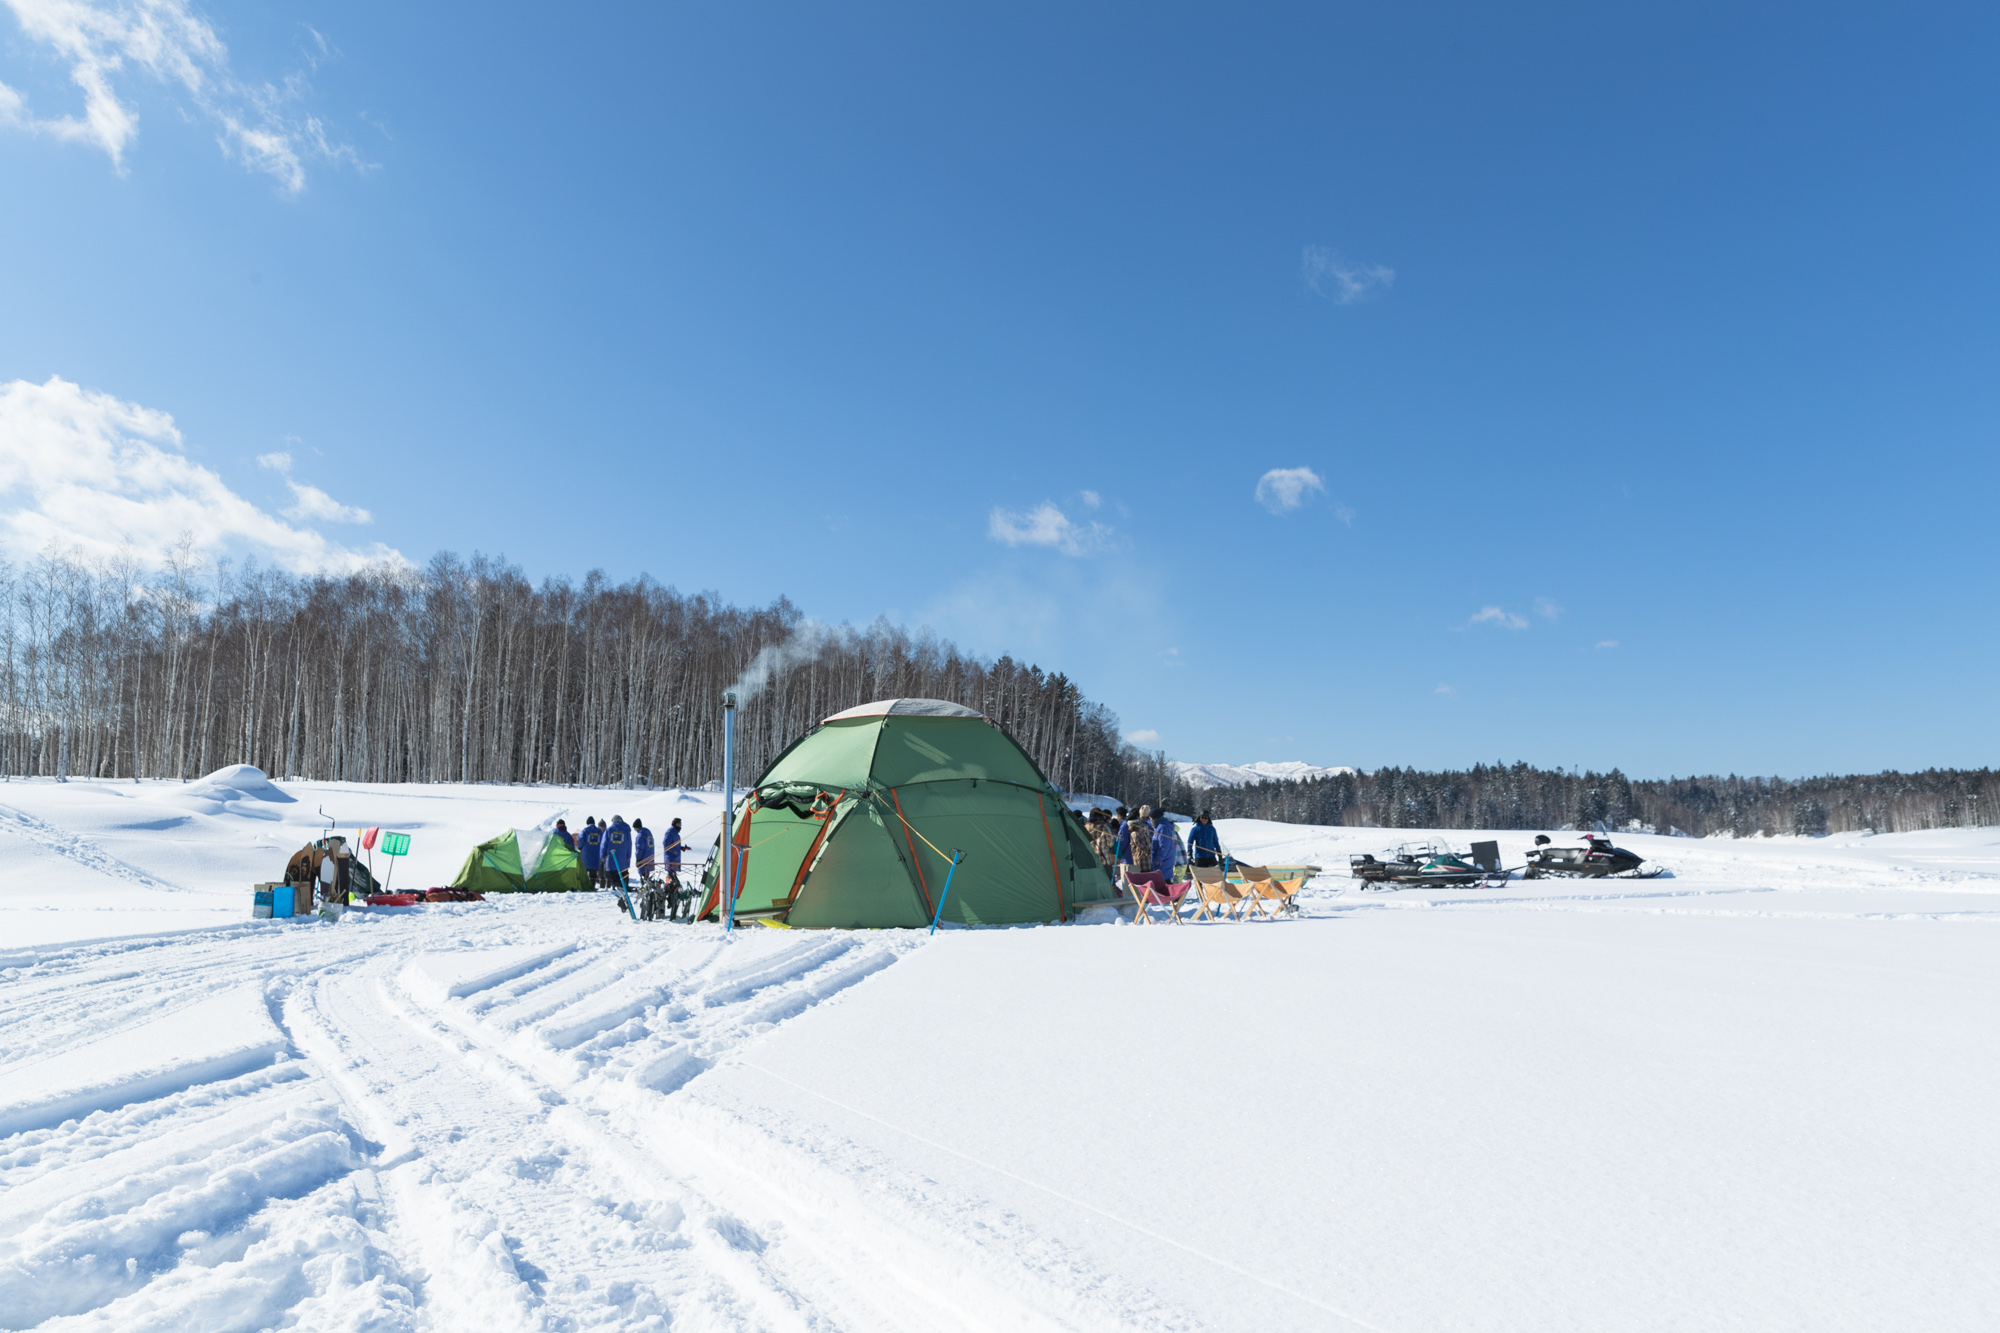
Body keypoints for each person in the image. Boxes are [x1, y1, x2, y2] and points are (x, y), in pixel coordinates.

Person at [662, 817, 686, 919]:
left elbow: (675, 845)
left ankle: (671, 899)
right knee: (672, 881)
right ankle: (668, 898)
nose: (680, 826)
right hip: (670, 860)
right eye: (679, 824)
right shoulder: (670, 832)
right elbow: (666, 844)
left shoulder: (676, 834)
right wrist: (673, 852)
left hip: (675, 861)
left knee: (673, 883)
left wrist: (681, 848)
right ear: (675, 824)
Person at [602, 815, 633, 895]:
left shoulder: (609, 830)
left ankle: (615, 888)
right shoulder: (626, 831)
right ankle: (624, 887)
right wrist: (628, 856)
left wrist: (603, 855)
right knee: (623, 874)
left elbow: (604, 844)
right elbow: (629, 845)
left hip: (612, 858)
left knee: (614, 876)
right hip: (623, 859)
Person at [1124, 805, 1154, 875]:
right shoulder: (1143, 830)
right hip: (1145, 863)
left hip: (1142, 864)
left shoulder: (1136, 833)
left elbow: (1145, 848)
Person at [1152, 813, 1180, 881]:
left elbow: (1164, 844)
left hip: (1163, 860)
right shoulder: (1158, 827)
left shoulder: (1163, 827)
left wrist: (1159, 857)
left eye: (1150, 818)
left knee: (1163, 880)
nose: (1150, 821)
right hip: (1162, 859)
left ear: (1155, 818)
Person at [578, 817, 603, 886]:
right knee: (593, 872)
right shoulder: (599, 831)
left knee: (584, 871)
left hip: (586, 855)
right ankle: (592, 886)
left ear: (587, 823)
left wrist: (579, 848)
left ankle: (584, 886)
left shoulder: (585, 831)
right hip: (596, 854)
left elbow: (580, 842)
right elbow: (603, 842)